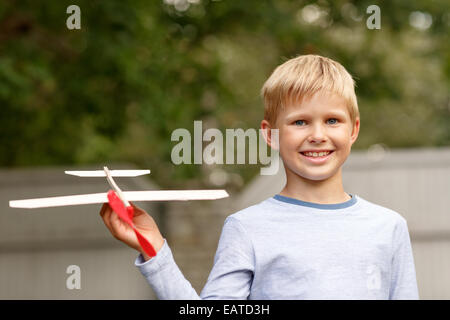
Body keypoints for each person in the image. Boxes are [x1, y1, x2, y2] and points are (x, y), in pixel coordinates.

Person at [99, 54, 419, 299]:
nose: (318, 134)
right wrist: (155, 252)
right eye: (300, 122)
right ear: (270, 135)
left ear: (354, 129)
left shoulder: (389, 228)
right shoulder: (247, 229)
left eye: (333, 120)